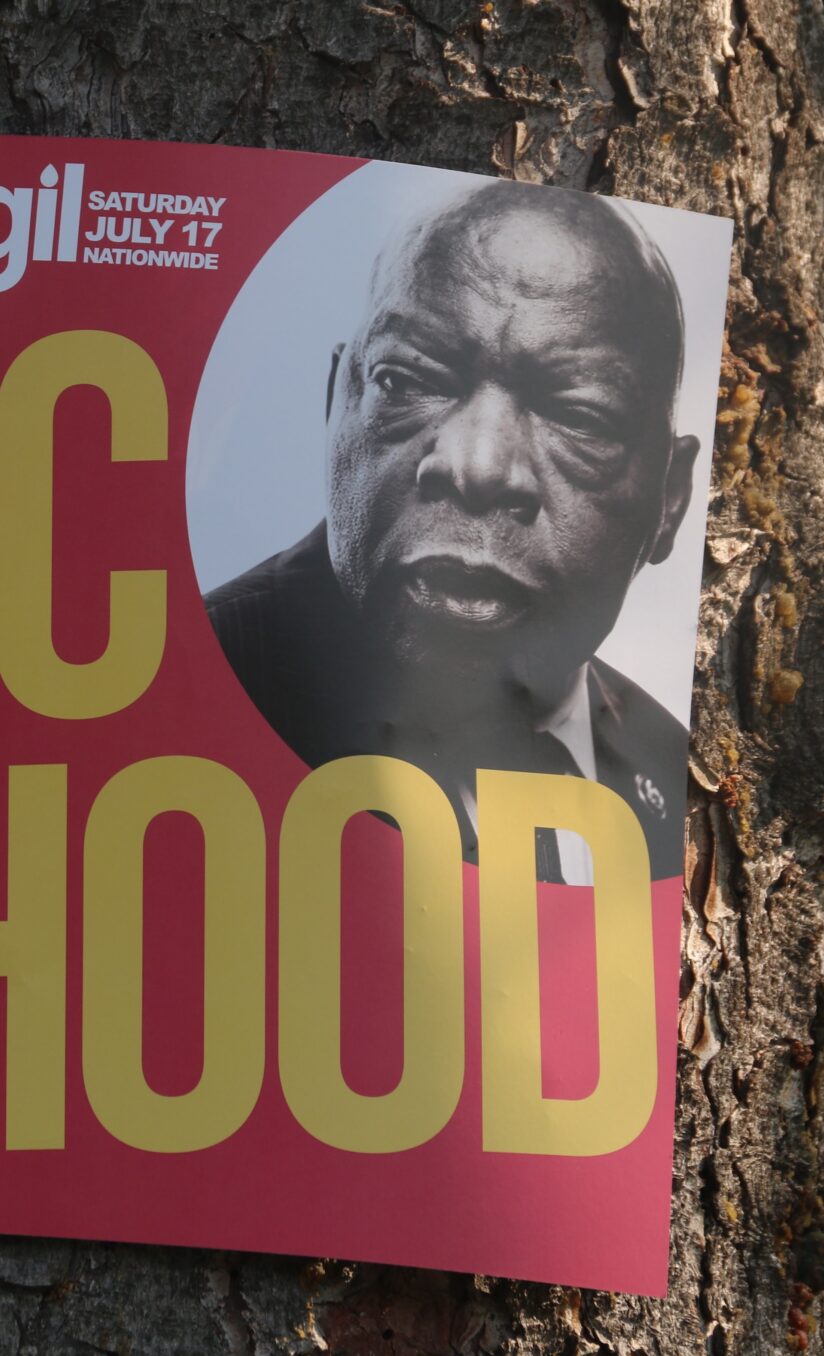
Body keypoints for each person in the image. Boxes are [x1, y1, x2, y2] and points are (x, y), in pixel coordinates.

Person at [204, 179, 699, 881]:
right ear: (334, 405)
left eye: (581, 416)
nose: (476, 465)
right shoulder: (188, 688)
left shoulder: (674, 777)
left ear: (670, 500)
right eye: (407, 381)